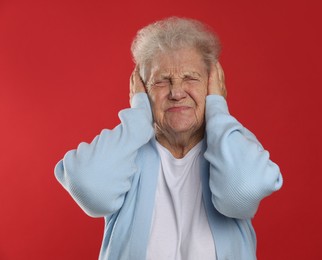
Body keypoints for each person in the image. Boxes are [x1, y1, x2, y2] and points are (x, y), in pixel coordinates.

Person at [54, 17, 283, 260]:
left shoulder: (231, 144)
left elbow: (241, 192)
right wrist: (139, 118)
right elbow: (89, 188)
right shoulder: (126, 153)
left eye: (190, 78)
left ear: (213, 85)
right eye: (161, 81)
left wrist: (218, 111)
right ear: (141, 91)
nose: (176, 92)